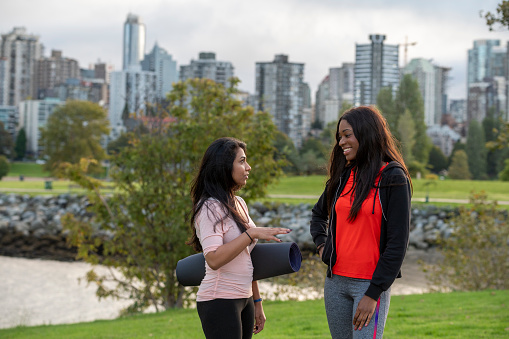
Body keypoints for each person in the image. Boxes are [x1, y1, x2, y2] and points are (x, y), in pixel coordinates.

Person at [310, 106, 412, 339]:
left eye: (347, 135)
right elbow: (317, 216)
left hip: (369, 285)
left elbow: (397, 244)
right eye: (339, 137)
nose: (341, 142)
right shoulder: (342, 176)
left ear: (366, 133)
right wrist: (323, 247)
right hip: (335, 284)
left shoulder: (393, 177)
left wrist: (373, 293)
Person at [187, 137, 291, 339]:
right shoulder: (210, 206)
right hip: (219, 299)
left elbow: (246, 258)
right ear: (224, 167)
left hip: (244, 298)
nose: (248, 167)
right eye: (242, 161)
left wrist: (257, 301)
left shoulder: (239, 203)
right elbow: (214, 259)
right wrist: (250, 234)